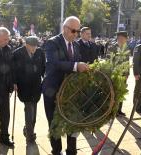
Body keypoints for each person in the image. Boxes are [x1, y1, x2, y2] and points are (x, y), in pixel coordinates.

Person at [42, 16, 89, 155]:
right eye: (73, 31)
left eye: (78, 31)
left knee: (72, 120)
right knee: (54, 123)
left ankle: (71, 150)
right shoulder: (52, 43)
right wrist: (76, 66)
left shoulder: (76, 44)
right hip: (52, 90)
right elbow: (54, 63)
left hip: (70, 92)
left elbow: (77, 65)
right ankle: (56, 151)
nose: (75, 34)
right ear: (64, 28)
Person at [13, 36, 45, 144]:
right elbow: (13, 70)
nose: (34, 49)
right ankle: (30, 136)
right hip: (24, 86)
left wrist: (45, 79)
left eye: (36, 46)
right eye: (32, 46)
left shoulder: (40, 52)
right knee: (29, 109)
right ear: (26, 45)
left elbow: (43, 67)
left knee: (33, 110)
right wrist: (14, 83)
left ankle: (28, 129)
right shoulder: (17, 53)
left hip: (36, 85)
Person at [107, 31, 130, 116]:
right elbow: (108, 61)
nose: (124, 40)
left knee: (121, 92)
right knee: (114, 92)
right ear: (119, 38)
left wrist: (128, 73)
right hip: (115, 74)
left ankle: (119, 110)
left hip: (123, 75)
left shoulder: (126, 48)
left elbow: (127, 61)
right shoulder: (112, 47)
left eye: (125, 38)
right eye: (123, 38)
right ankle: (113, 110)